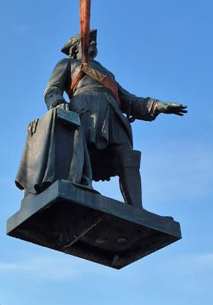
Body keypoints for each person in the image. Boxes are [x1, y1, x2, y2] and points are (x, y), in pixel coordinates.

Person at [44, 30, 187, 208]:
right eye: (88, 42)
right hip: (85, 112)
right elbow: (52, 89)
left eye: (95, 43)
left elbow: (129, 100)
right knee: (81, 154)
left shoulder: (108, 74)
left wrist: (156, 105)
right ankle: (79, 192)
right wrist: (57, 102)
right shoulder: (67, 64)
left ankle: (136, 209)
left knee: (127, 157)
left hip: (113, 115)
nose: (94, 45)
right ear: (75, 49)